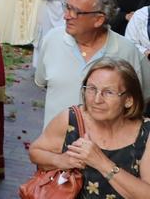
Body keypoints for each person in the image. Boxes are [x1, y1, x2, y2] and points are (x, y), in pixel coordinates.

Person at [28, 58, 150, 198]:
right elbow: (35, 152)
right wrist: (61, 160)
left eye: (109, 92)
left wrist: (101, 162)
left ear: (129, 100)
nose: (97, 100)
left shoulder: (145, 133)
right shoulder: (72, 119)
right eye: (91, 89)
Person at [34, 0, 150, 128]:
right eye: (67, 7)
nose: (66, 16)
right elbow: (41, 80)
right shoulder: (52, 40)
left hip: (105, 148)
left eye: (75, 11)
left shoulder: (127, 51)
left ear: (98, 19)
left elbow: (142, 97)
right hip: (54, 146)